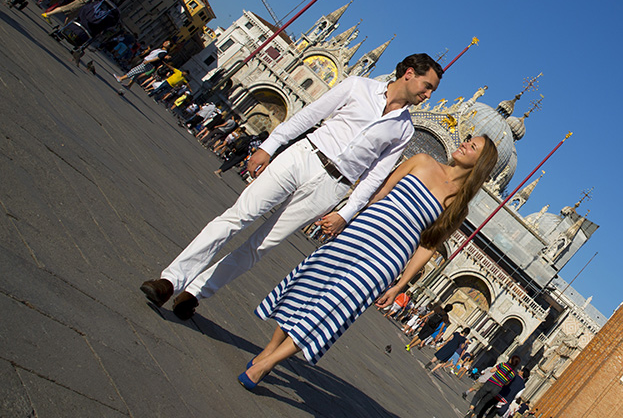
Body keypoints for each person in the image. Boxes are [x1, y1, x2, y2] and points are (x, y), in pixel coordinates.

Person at [139, 54, 442, 319]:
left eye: (432, 91)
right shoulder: (358, 86)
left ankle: (195, 293)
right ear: (409, 73)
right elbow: (311, 115)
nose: (427, 95)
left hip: (333, 186)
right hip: (304, 156)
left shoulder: (403, 129)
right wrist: (269, 146)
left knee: (260, 246)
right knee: (236, 218)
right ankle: (170, 281)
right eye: (427, 86)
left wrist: (347, 213)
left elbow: (376, 176)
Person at [238, 134, 498, 389]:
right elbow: (381, 191)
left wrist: (400, 285)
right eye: (467, 139)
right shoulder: (422, 160)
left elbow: (427, 246)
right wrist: (348, 217)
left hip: (387, 260)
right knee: (310, 287)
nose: (464, 144)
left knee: (332, 307)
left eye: (472, 146)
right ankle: (269, 351)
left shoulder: (458, 205)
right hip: (360, 233)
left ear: (479, 164)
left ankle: (267, 363)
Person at [463, 354, 521, 418]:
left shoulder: (503, 365)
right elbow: (506, 383)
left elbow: (492, 371)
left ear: (511, 360)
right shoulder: (513, 374)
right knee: (483, 402)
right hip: (497, 388)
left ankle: (471, 409)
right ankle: (470, 416)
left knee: (477, 396)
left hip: (490, 383)